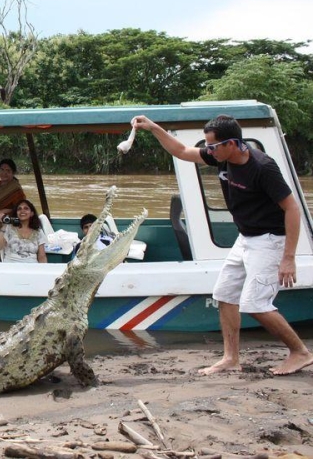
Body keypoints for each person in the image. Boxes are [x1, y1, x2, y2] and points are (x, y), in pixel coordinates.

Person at [133, 113, 313, 376]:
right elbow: (182, 151)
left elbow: (292, 209)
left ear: (232, 144)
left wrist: (288, 258)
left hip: (271, 241)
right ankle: (231, 358)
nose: (209, 150)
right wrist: (152, 128)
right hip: (246, 238)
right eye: (207, 145)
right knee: (225, 295)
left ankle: (300, 352)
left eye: (213, 146)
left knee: (255, 304)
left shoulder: (262, 167)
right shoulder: (221, 157)